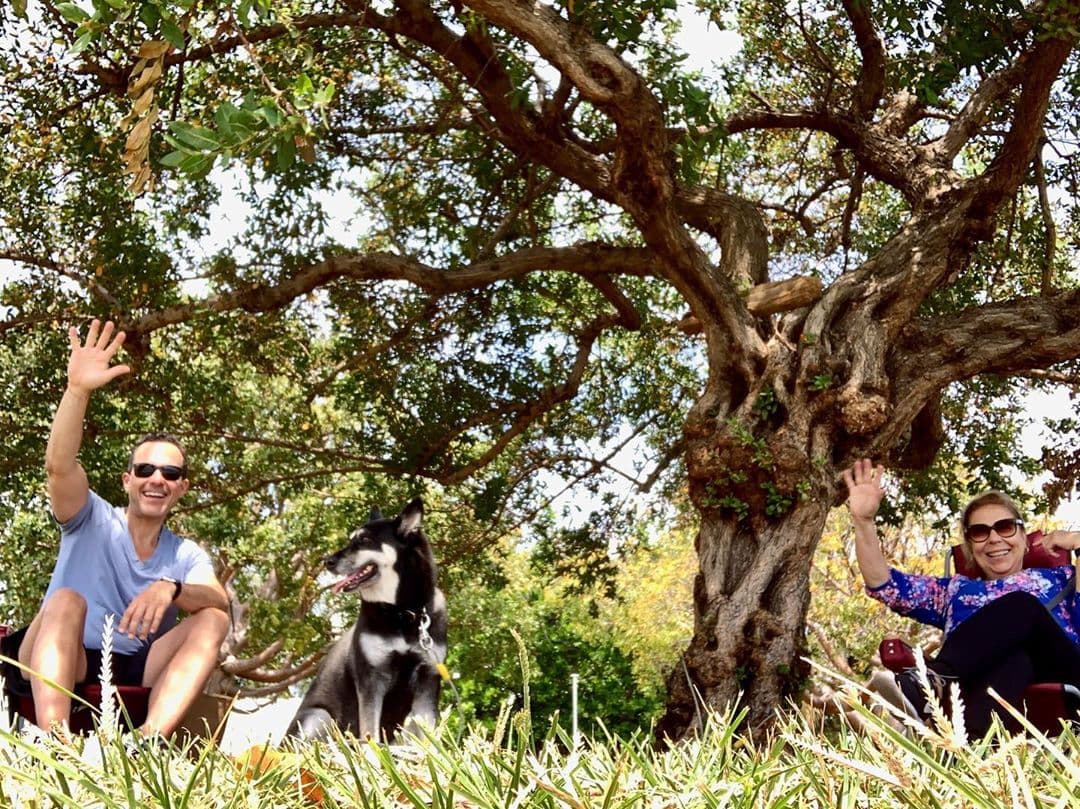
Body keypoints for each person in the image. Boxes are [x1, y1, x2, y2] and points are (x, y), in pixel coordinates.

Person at [11, 319, 230, 740]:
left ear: (181, 487)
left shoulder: (184, 554)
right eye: (145, 469)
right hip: (60, 652)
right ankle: (59, 747)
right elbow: (59, 466)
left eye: (170, 472)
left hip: (135, 665)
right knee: (66, 600)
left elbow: (216, 597)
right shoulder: (91, 517)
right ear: (127, 479)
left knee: (214, 619)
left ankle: (147, 742)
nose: (156, 479)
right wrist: (77, 391)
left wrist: (171, 588)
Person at [844, 458, 1080, 736]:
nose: (994, 538)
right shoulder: (954, 591)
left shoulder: (1061, 578)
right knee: (1013, 661)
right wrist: (863, 521)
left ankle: (930, 683)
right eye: (979, 532)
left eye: (1005, 527)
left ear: (1024, 536)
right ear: (969, 546)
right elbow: (883, 584)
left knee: (1021, 603)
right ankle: (965, 757)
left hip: (1064, 671)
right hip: (987, 684)